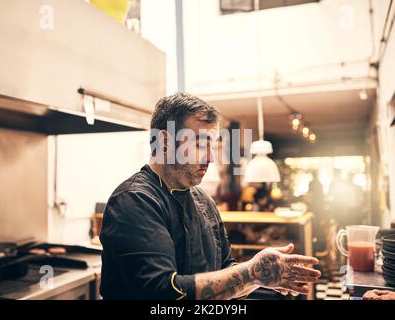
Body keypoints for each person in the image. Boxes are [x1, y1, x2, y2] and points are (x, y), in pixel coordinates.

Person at [100, 93, 321, 300]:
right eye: (200, 144)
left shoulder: (203, 201)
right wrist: (252, 274)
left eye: (213, 146)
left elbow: (225, 269)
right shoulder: (134, 200)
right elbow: (163, 291)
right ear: (165, 141)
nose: (211, 157)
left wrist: (261, 277)